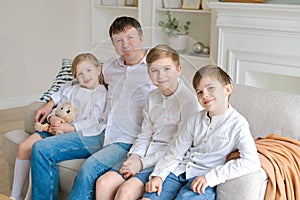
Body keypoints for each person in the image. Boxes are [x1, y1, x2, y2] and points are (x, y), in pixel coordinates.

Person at [31, 16, 155, 200]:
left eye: (130, 37)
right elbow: (78, 80)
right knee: (40, 149)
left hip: (126, 139)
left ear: (141, 38)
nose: (125, 45)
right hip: (99, 131)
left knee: (87, 171)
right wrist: (50, 103)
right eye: (118, 40)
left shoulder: (155, 69)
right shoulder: (111, 67)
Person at [95, 44, 202, 200]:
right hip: (143, 155)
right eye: (154, 70)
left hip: (164, 160)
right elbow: (145, 134)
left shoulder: (189, 102)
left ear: (178, 70)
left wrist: (142, 163)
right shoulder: (152, 97)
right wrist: (134, 157)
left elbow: (178, 148)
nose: (161, 76)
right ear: (148, 73)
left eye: (167, 69)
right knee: (104, 183)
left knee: (126, 192)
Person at [143, 65, 261, 200]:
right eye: (199, 92)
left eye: (211, 88)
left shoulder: (238, 124)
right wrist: (159, 175)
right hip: (178, 172)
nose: (205, 95)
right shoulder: (194, 119)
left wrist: (212, 177)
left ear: (227, 89)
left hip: (203, 179)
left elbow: (251, 162)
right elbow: (175, 152)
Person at [9, 53, 107, 200]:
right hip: (55, 129)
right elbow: (58, 108)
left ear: (98, 69)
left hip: (73, 132)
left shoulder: (101, 93)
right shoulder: (72, 89)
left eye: (88, 70)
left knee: (40, 150)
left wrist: (70, 128)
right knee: (24, 146)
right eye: (79, 73)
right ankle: (14, 196)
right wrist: (53, 117)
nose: (85, 76)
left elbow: (93, 121)